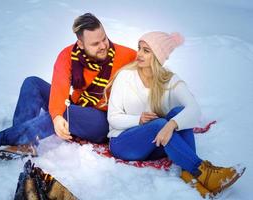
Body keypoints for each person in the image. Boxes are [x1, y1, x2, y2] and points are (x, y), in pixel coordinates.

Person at [0, 13, 136, 162]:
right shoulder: (69, 56)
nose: (103, 45)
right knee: (32, 83)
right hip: (78, 106)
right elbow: (60, 88)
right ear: (80, 44)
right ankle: (25, 144)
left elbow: (154, 72)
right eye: (95, 44)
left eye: (104, 39)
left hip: (102, 120)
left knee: (66, 113)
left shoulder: (126, 55)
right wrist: (57, 115)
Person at [105, 31, 245, 198]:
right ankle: (204, 172)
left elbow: (194, 109)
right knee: (159, 124)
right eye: (139, 48)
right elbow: (112, 118)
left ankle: (191, 175)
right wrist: (139, 119)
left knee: (178, 113)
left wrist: (172, 124)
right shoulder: (125, 76)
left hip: (155, 144)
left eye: (146, 50)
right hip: (123, 143)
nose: (139, 54)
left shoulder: (168, 79)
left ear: (158, 56)